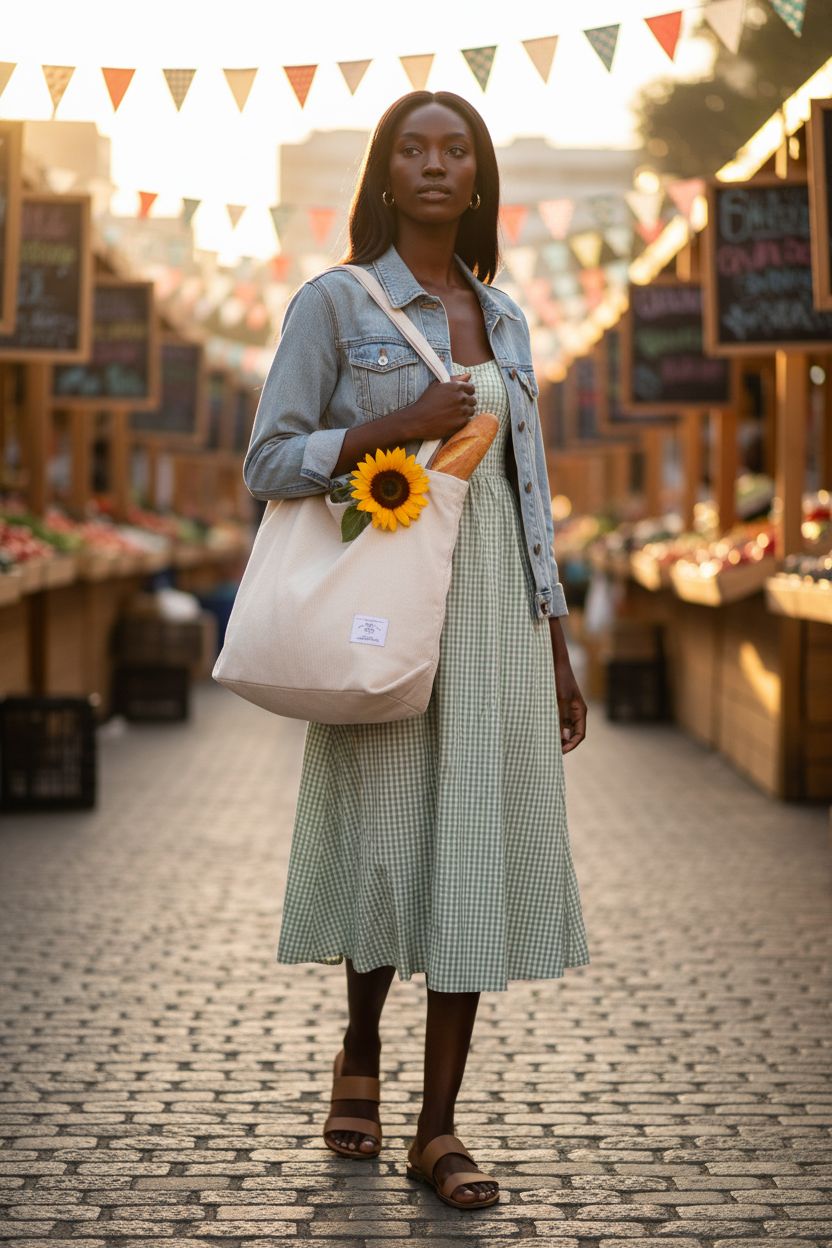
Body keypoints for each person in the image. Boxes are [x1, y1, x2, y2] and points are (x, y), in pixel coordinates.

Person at [243, 89, 590, 1212]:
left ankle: (438, 1129)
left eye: (456, 151)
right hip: (388, 606)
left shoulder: (510, 318)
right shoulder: (334, 306)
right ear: (385, 177)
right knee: (390, 846)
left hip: (493, 614)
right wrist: (392, 427)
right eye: (413, 149)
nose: (435, 166)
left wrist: (556, 645)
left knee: (470, 852)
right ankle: (359, 1049)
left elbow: (527, 498)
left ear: (478, 179)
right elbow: (270, 462)